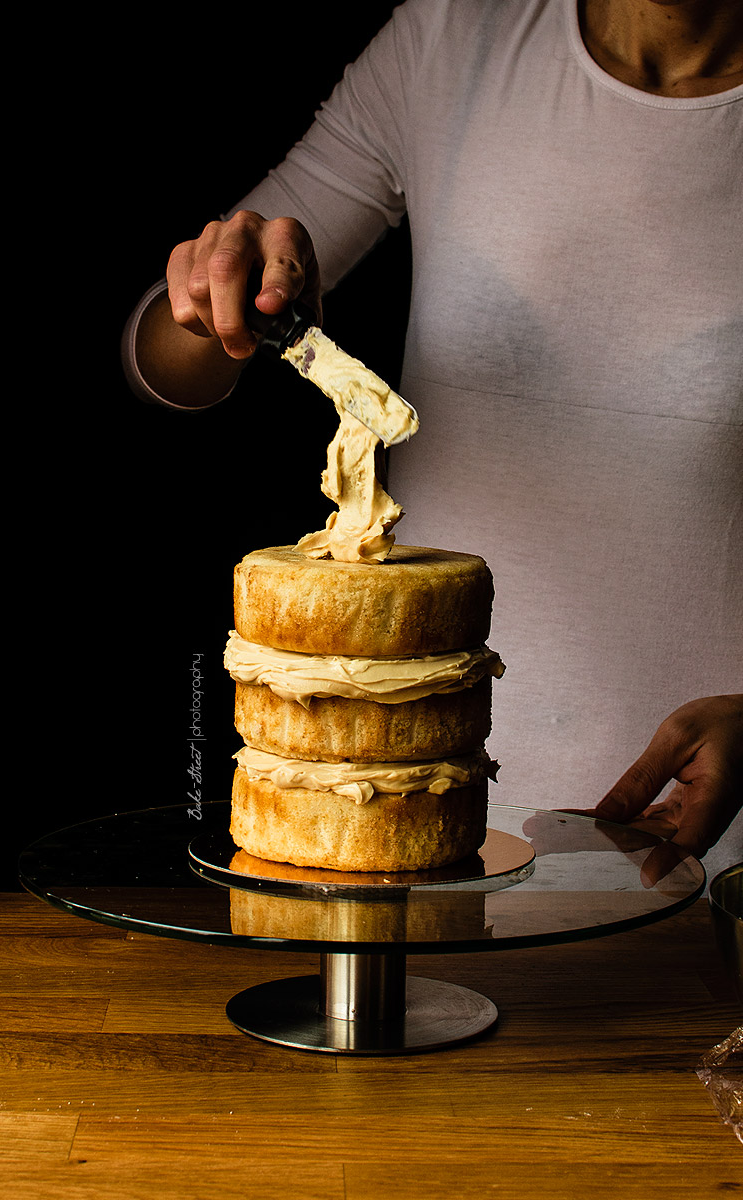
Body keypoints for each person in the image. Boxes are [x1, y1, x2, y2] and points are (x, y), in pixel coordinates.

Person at [123, 0, 743, 875]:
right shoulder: (452, 41)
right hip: (395, 835)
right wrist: (214, 294)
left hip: (707, 845)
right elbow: (162, 355)